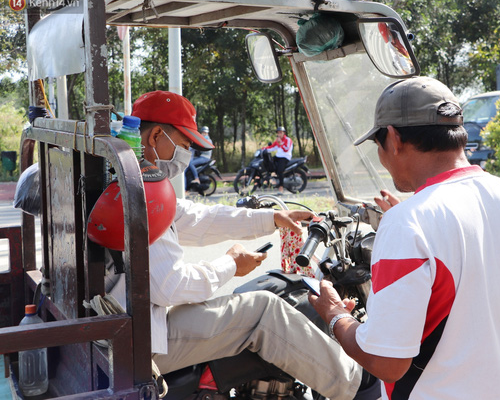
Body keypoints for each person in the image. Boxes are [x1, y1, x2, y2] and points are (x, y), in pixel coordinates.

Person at [107, 90, 376, 400]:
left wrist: (272, 218)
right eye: (183, 145)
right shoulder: (140, 190)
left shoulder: (127, 177)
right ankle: (362, 387)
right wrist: (230, 265)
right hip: (138, 342)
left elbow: (198, 217)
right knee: (264, 310)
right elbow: (172, 285)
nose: (186, 155)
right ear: (155, 135)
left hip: (129, 325)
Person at [309, 77, 500, 399]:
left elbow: (387, 362)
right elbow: (483, 292)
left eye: (377, 145)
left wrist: (335, 315)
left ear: (392, 138)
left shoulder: (408, 223)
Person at [262, 126, 292, 194]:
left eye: (281, 132)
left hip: (285, 157)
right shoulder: (277, 140)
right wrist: (263, 149)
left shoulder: (288, 140)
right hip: (278, 156)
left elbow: (286, 149)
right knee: (269, 164)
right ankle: (268, 180)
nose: (279, 134)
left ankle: (281, 187)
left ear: (284, 133)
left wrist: (281, 143)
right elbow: (272, 147)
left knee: (279, 170)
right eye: (278, 133)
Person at [186, 126, 213, 190]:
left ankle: (196, 178)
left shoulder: (208, 140)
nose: (204, 134)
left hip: (205, 158)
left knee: (191, 163)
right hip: (201, 157)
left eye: (205, 133)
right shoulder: (204, 140)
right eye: (203, 133)